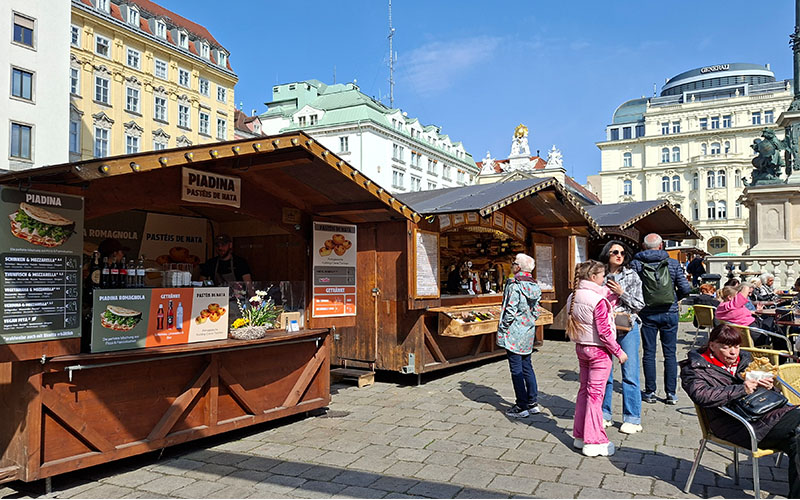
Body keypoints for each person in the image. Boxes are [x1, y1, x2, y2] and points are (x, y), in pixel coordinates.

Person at [680, 324, 800, 498]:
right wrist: (742, 389)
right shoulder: (695, 367)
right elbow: (701, 395)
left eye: (736, 346)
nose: (733, 352)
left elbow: (765, 393)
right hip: (736, 425)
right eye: (726, 347)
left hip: (766, 416)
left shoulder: (744, 360)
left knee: (798, 440)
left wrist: (767, 385)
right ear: (712, 345)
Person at [566, 260, 628, 457]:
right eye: (602, 275)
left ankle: (580, 435)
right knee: (595, 396)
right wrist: (619, 351)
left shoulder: (573, 296)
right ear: (593, 277)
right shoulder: (598, 300)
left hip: (581, 347)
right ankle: (594, 440)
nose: (604, 279)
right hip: (599, 351)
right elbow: (604, 333)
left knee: (584, 391)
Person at [630, 233, 691, 405]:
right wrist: (673, 298)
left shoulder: (636, 264)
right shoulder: (672, 263)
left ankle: (650, 392)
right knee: (670, 353)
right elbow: (686, 289)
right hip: (669, 312)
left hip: (647, 313)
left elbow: (632, 289)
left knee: (649, 352)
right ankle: (671, 393)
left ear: (643, 247)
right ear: (661, 245)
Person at [598, 241, 645, 435]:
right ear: (606, 254)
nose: (619, 255)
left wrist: (621, 293)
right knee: (604, 373)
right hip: (605, 328)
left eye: (623, 253)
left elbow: (639, 304)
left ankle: (632, 417)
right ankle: (603, 413)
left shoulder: (631, 275)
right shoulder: (599, 275)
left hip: (627, 327)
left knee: (630, 373)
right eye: (615, 252)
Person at [496, 253, 542, 418]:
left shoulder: (514, 285)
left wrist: (503, 327)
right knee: (527, 366)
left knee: (516, 369)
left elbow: (510, 310)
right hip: (528, 331)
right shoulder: (535, 286)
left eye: (514, 262)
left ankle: (521, 405)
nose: (512, 265)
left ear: (519, 267)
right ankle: (532, 402)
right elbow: (536, 310)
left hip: (514, 332)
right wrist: (529, 320)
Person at [716, 284, 780, 347]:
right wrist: (740, 287)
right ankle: (782, 351)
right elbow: (746, 287)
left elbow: (735, 314)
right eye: (737, 296)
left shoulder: (721, 308)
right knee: (774, 322)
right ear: (729, 297)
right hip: (755, 335)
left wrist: (753, 311)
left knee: (773, 326)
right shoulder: (734, 305)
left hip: (742, 333)